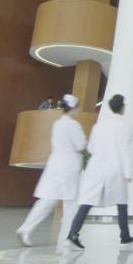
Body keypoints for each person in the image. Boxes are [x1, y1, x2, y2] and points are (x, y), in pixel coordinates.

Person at [16, 94, 88, 247]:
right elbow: (81, 145)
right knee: (71, 202)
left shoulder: (57, 124)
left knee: (47, 200)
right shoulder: (73, 125)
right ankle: (70, 235)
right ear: (74, 108)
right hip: (69, 167)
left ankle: (26, 228)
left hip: (54, 165)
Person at [66, 94, 133, 249]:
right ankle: (124, 236)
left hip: (96, 167)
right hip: (115, 168)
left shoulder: (99, 126)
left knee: (87, 202)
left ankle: (73, 232)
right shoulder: (125, 125)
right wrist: (128, 172)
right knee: (122, 202)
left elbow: (91, 148)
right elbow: (125, 149)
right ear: (122, 107)